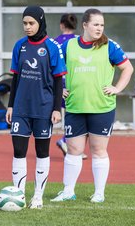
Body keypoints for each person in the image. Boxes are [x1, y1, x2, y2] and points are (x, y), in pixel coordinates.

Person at [51, 8, 134, 203]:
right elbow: (52, 67)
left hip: (101, 108)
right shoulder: (69, 45)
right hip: (75, 106)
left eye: (102, 25)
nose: (99, 28)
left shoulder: (109, 46)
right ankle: (68, 191)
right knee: (73, 150)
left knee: (98, 151)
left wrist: (117, 88)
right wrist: (59, 88)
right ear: (85, 25)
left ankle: (99, 193)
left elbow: (128, 68)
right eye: (95, 24)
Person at [6, 5, 66, 209]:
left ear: (40, 22)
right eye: (24, 23)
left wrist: (57, 109)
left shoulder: (52, 47)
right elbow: (15, 78)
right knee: (18, 150)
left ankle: (38, 196)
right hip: (21, 109)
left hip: (44, 109)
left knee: (42, 152)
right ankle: (19, 195)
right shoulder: (19, 46)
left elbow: (59, 81)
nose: (27, 27)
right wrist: (10, 106)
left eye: (31, 23)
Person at [54, 13, 87, 160]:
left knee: (65, 114)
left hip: (59, 82)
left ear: (61, 25)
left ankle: (69, 144)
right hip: (75, 81)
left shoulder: (54, 42)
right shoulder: (78, 41)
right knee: (78, 115)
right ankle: (69, 143)